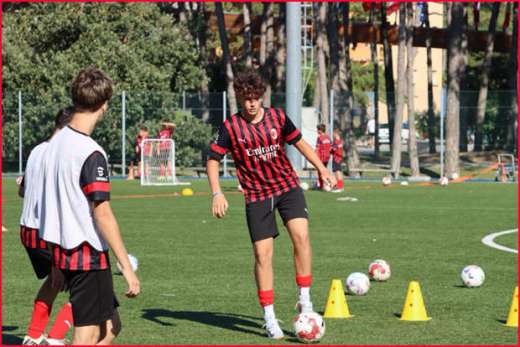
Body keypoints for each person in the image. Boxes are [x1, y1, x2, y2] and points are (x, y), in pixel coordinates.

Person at [206, 69, 336, 339]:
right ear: (240, 98)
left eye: (255, 97)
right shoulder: (230, 127)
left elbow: (300, 143)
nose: (251, 103)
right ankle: (268, 316)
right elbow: (213, 160)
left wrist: (322, 169)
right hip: (256, 195)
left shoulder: (277, 117)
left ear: (261, 97)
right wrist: (217, 193)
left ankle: (305, 301)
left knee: (301, 236)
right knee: (263, 256)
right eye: (246, 98)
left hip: (287, 187)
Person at [40, 67, 140, 345]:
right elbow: (102, 213)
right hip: (87, 256)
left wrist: (56, 262)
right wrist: (126, 267)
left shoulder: (55, 144)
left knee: (111, 327)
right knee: (90, 333)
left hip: (64, 253)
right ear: (104, 105)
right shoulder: (91, 152)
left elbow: (49, 204)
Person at [19, 107, 75, 345]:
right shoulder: (60, 153)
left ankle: (32, 334)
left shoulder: (36, 150)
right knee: (89, 284)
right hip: (47, 231)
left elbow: (22, 190)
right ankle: (55, 337)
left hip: (27, 230)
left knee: (55, 280)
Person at [315, 124, 332, 190]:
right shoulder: (328, 137)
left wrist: (315, 157)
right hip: (327, 157)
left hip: (321, 157)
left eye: (317, 130)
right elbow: (331, 147)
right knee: (324, 171)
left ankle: (323, 185)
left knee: (320, 172)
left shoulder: (319, 138)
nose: (317, 131)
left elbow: (317, 148)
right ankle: (326, 184)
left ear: (320, 130)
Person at [330, 129, 345, 193]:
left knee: (337, 173)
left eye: (333, 133)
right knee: (338, 172)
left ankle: (340, 187)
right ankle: (340, 186)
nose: (333, 135)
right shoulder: (340, 141)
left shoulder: (336, 142)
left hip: (336, 159)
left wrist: (329, 149)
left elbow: (332, 150)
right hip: (339, 158)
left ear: (336, 134)